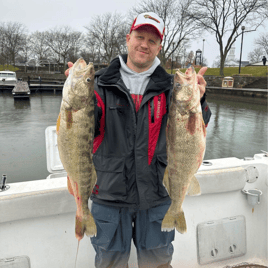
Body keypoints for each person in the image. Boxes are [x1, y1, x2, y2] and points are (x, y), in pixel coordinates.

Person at [65, 12, 211, 268]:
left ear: (159, 46)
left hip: (157, 195)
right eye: (139, 37)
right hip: (107, 195)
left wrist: (200, 100)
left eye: (152, 40)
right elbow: (83, 129)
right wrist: (75, 93)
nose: (144, 44)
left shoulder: (171, 86)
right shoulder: (99, 84)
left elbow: (195, 130)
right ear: (128, 38)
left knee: (158, 263)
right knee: (109, 263)